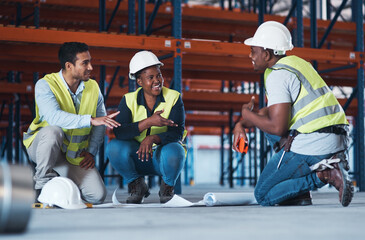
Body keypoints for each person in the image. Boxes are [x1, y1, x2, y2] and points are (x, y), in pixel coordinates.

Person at [233, 21, 354, 207]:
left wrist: (246, 114)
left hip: (315, 143)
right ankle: (300, 194)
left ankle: (324, 175)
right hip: (337, 138)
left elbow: (277, 127)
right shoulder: (297, 63)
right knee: (266, 124)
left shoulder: (278, 75)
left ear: (266, 54)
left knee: (264, 194)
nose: (250, 55)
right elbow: (270, 112)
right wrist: (241, 124)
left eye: (253, 50)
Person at [23, 42, 120, 204]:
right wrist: (89, 120)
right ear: (69, 66)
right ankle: (42, 185)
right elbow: (53, 117)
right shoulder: (45, 85)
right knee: (53, 131)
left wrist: (91, 151)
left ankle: (63, 183)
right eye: (85, 63)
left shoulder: (93, 87)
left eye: (90, 61)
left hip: (72, 155)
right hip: (42, 146)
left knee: (97, 195)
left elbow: (101, 122)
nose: (91, 67)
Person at [106, 50, 186, 204]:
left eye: (159, 75)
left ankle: (167, 186)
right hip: (137, 155)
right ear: (139, 81)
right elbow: (120, 132)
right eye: (151, 77)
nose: (157, 81)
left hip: (162, 157)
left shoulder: (173, 97)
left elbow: (177, 133)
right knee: (114, 147)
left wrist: (152, 138)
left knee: (176, 150)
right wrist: (148, 122)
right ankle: (137, 184)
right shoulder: (129, 100)